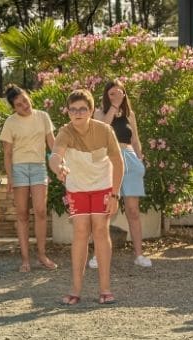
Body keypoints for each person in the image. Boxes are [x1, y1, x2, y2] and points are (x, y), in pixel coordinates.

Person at [49, 89, 123, 305]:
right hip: (77, 187)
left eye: (82, 109)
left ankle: (105, 288)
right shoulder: (65, 132)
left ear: (91, 111)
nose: (78, 113)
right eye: (73, 109)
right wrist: (57, 168)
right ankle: (76, 289)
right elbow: (55, 156)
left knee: (100, 229)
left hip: (102, 186)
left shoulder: (105, 130)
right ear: (68, 112)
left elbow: (118, 163)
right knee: (81, 231)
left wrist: (115, 195)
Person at [89, 79, 152, 268]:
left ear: (125, 94)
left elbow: (135, 140)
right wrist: (113, 107)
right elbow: (102, 132)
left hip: (131, 162)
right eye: (111, 94)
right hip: (109, 161)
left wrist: (140, 159)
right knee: (105, 211)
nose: (116, 96)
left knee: (133, 211)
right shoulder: (99, 112)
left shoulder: (130, 114)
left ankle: (139, 255)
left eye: (119, 93)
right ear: (106, 96)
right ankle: (98, 256)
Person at [0, 84, 58, 273]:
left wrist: (61, 164)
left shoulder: (43, 116)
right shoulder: (10, 122)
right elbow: (7, 153)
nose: (24, 105)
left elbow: (53, 145)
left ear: (28, 97)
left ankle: (42, 255)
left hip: (39, 167)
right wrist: (10, 177)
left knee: (41, 211)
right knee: (22, 214)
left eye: (25, 100)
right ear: (13, 108)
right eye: (18, 104)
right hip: (19, 169)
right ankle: (25, 259)